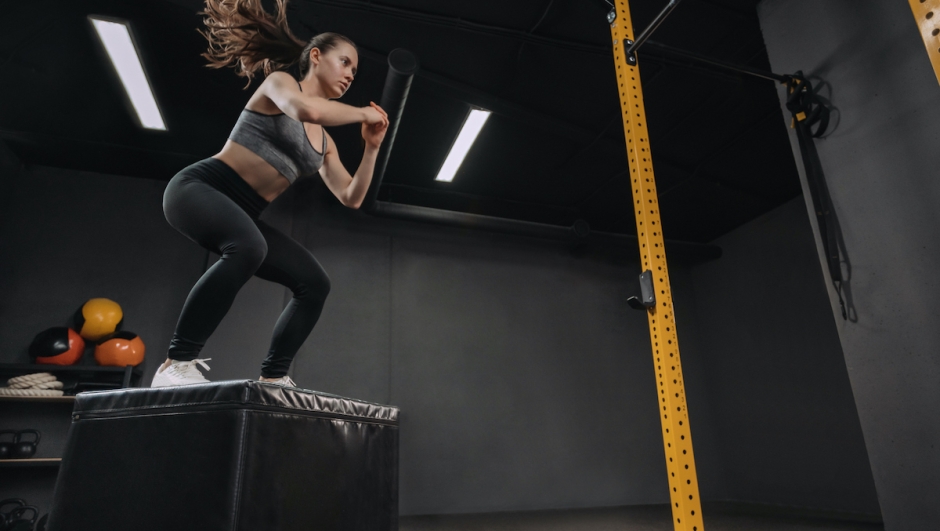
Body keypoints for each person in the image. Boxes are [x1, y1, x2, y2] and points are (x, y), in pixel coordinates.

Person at [151, 0, 388, 388]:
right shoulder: (282, 84)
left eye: (355, 70)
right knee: (248, 248)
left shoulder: (325, 143)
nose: (350, 74)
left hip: (245, 213)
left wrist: (372, 146)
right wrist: (363, 112)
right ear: (315, 56)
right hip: (200, 188)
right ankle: (176, 363)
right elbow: (302, 110)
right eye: (345, 62)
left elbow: (351, 196)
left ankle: (273, 378)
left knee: (314, 283)